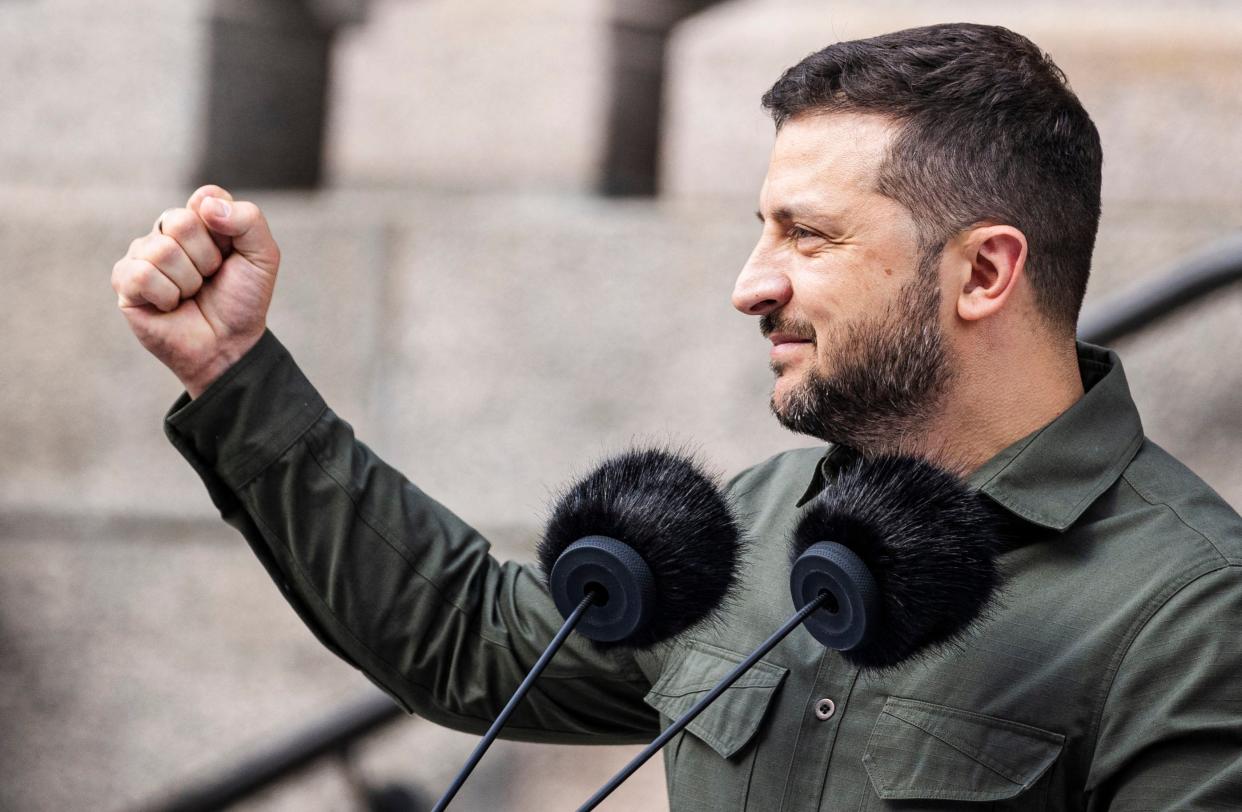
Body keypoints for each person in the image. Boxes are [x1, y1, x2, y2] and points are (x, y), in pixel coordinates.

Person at [112, 22, 1242, 811]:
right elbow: (465, 637)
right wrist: (233, 369)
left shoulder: (1191, 610)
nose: (751, 283)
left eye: (809, 235)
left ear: (985, 272)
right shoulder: (754, 526)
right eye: (762, 230)